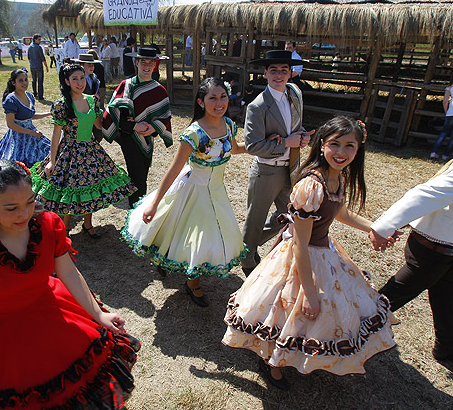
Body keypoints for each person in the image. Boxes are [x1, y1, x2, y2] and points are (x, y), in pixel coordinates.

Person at [0, 159, 140, 408]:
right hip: (2, 338)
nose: (24, 214)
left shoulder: (48, 224)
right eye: (11, 208)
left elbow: (69, 273)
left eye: (29, 202)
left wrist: (97, 314)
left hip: (54, 316)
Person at [223, 116, 396, 389]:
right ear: (322, 145)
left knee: (312, 313)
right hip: (301, 254)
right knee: (290, 310)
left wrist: (374, 228)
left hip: (323, 250)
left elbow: (338, 210)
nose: (341, 152)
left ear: (359, 149)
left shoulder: (338, 177)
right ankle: (271, 361)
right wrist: (311, 291)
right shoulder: (311, 185)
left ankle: (290, 354)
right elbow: (299, 245)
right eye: (334, 144)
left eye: (350, 146)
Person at [122, 77, 247, 307]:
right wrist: (154, 202)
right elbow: (173, 170)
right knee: (194, 237)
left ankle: (173, 261)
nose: (219, 103)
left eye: (223, 97)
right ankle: (193, 283)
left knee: (195, 235)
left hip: (217, 191)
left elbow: (235, 148)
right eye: (212, 98)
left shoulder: (228, 124)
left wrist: (262, 145)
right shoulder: (194, 133)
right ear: (201, 102)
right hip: (195, 190)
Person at [31, 64, 135, 237]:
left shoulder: (92, 100)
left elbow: (98, 125)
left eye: (82, 78)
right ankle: (65, 227)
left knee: (91, 187)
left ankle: (88, 224)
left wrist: (119, 119)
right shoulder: (61, 105)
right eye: (75, 79)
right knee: (69, 190)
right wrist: (52, 160)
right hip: (70, 152)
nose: (80, 82)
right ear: (67, 81)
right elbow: (56, 135)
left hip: (90, 150)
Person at [370, 159, 453, 371]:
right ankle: (343, 332)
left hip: (443, 248)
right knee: (391, 296)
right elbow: (426, 194)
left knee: (446, 299)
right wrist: (385, 226)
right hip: (433, 251)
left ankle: (446, 349)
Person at [240, 50, 314, 275]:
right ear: (265, 73)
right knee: (256, 218)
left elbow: (295, 125)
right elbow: (252, 146)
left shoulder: (294, 94)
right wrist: (286, 143)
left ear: (291, 73)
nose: (279, 75)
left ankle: (245, 245)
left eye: (284, 70)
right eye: (273, 70)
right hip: (266, 171)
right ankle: (247, 259)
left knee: (291, 215)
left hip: (290, 169)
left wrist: (301, 137)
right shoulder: (258, 106)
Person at [102, 47, 173, 208]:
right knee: (137, 180)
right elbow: (116, 113)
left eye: (150, 63)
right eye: (143, 62)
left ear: (155, 65)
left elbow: (165, 116)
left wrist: (154, 128)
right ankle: (136, 216)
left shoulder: (159, 90)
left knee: (142, 177)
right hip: (129, 138)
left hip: (148, 139)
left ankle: (137, 212)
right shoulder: (126, 85)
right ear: (136, 63)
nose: (146, 67)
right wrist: (134, 126)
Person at [0, 68, 51, 168]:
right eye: (20, 80)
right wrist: (31, 132)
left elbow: (30, 116)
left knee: (46, 154)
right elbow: (11, 124)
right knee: (17, 164)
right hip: (18, 137)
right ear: (13, 83)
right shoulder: (11, 99)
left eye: (26, 79)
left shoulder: (29, 96)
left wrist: (48, 113)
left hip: (31, 133)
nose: (24, 83)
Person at [429, 82, 453, 162]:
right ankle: (445, 155)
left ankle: (434, 152)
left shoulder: (450, 87)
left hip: (451, 111)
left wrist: (447, 112)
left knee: (444, 132)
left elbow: (445, 101)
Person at [27, 34, 49, 100]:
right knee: (40, 81)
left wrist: (31, 63)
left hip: (32, 66)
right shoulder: (38, 47)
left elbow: (28, 57)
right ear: (35, 39)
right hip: (39, 66)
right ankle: (40, 96)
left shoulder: (30, 47)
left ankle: (34, 93)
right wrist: (46, 66)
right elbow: (42, 58)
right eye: (39, 40)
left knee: (34, 80)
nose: (40, 41)